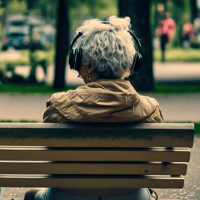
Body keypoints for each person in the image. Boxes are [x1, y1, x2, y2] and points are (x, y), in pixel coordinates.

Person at [24, 15, 163, 200]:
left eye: (80, 63)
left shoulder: (58, 106)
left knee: (31, 194)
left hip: (67, 196)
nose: (79, 71)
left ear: (89, 65)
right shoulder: (150, 109)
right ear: (131, 62)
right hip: (129, 196)